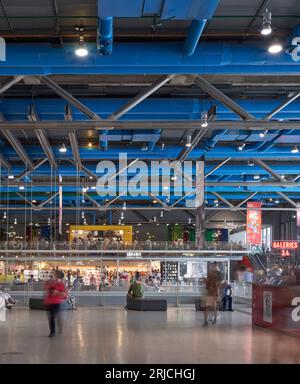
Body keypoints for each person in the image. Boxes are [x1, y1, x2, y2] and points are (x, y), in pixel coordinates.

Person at [44, 270, 67, 337]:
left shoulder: (60, 284)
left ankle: (53, 331)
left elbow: (64, 295)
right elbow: (46, 291)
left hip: (56, 302)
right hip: (48, 302)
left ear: (57, 275)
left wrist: (57, 293)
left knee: (52, 317)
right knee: (51, 318)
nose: (52, 275)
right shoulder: (48, 282)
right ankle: (52, 330)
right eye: (52, 273)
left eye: (54, 274)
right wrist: (46, 295)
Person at [203, 261, 222, 327]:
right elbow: (218, 284)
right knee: (215, 307)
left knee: (207, 307)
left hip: (210, 292)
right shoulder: (218, 274)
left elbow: (207, 285)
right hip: (215, 293)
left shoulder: (210, 274)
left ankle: (206, 321)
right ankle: (214, 320)